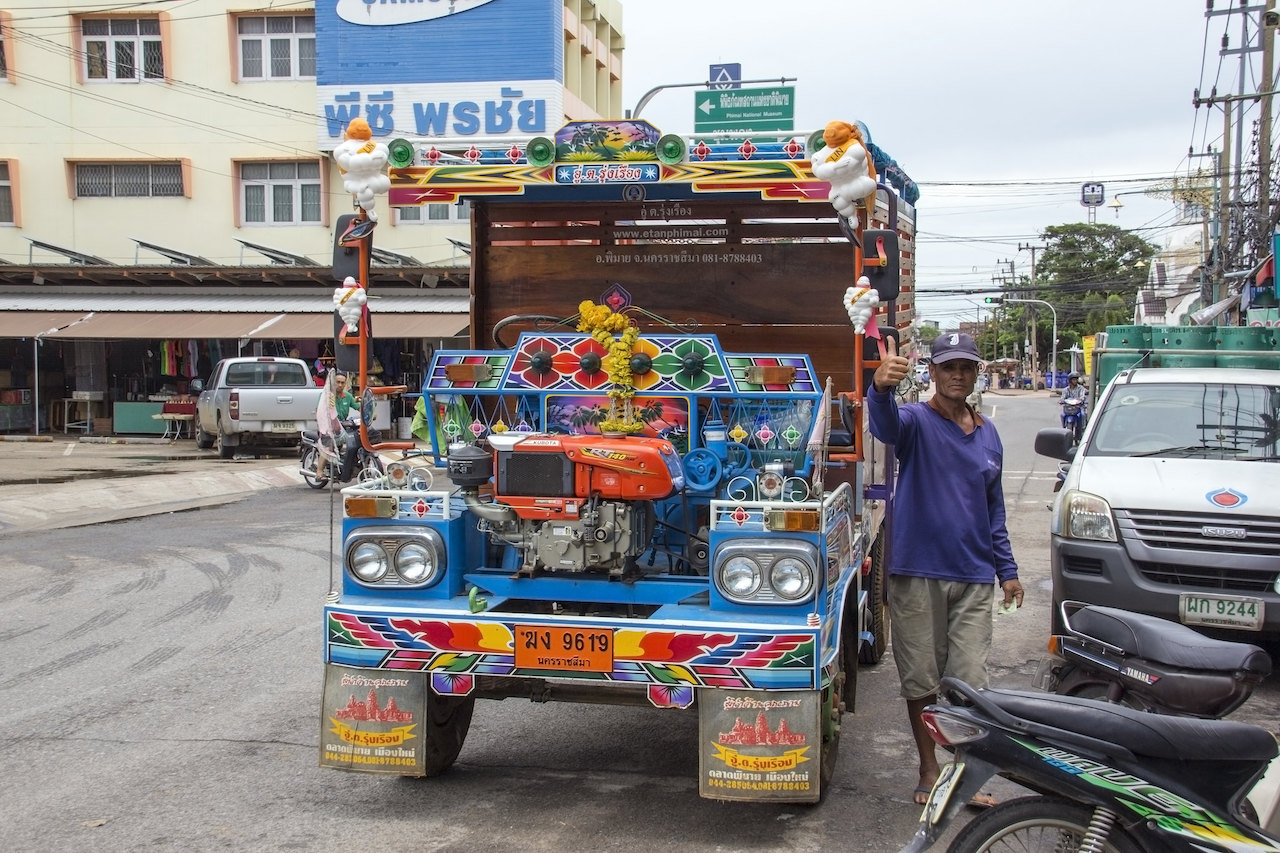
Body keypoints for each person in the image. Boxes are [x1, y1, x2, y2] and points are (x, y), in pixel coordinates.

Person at [866, 332, 1024, 807]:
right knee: (921, 677)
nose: (958, 375)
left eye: (966, 367)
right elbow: (884, 425)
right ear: (931, 373)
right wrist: (880, 388)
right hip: (917, 572)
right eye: (948, 367)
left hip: (974, 575)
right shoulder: (914, 420)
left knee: (970, 680)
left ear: (977, 374)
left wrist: (1008, 569)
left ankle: (960, 771)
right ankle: (928, 767)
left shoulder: (988, 433)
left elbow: (993, 509)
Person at [315, 372, 356, 478]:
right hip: (327, 429)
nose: (340, 385)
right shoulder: (326, 396)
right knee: (329, 445)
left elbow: (357, 406)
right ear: (333, 382)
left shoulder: (348, 396)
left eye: (343, 383)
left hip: (342, 428)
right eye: (338, 382)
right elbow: (319, 411)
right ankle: (319, 471)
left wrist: (369, 411)